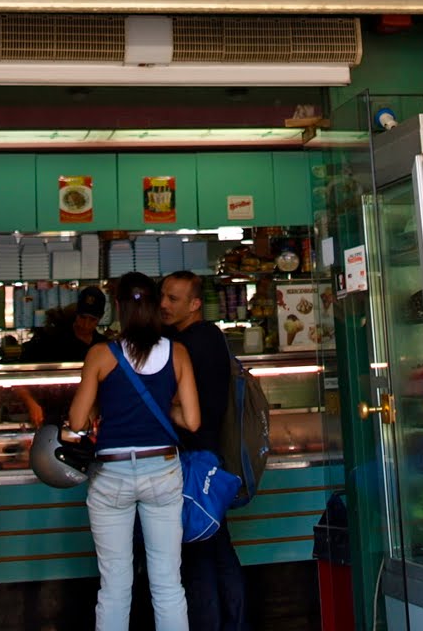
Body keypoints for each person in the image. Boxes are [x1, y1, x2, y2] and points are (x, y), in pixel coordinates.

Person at [67, 272, 200, 631]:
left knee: (114, 587)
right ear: (156, 306)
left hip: (112, 474)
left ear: (118, 307)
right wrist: (161, 406)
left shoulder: (100, 354)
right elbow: (192, 420)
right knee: (168, 584)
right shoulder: (177, 353)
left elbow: (77, 420)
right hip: (162, 470)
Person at [160, 270, 246, 631]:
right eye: (162, 296)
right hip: (210, 455)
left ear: (195, 303)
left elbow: (179, 404)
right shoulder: (209, 336)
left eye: (173, 299)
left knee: (198, 555)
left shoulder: (188, 344)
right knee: (218, 548)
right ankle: (236, 624)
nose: (163, 305)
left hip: (194, 459)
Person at [17, 286, 108, 427]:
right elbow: (19, 374)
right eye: (82, 317)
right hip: (50, 419)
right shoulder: (50, 340)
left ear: (100, 318)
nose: (85, 324)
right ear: (76, 313)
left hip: (89, 420)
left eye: (92, 320)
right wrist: (31, 403)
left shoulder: (103, 347)